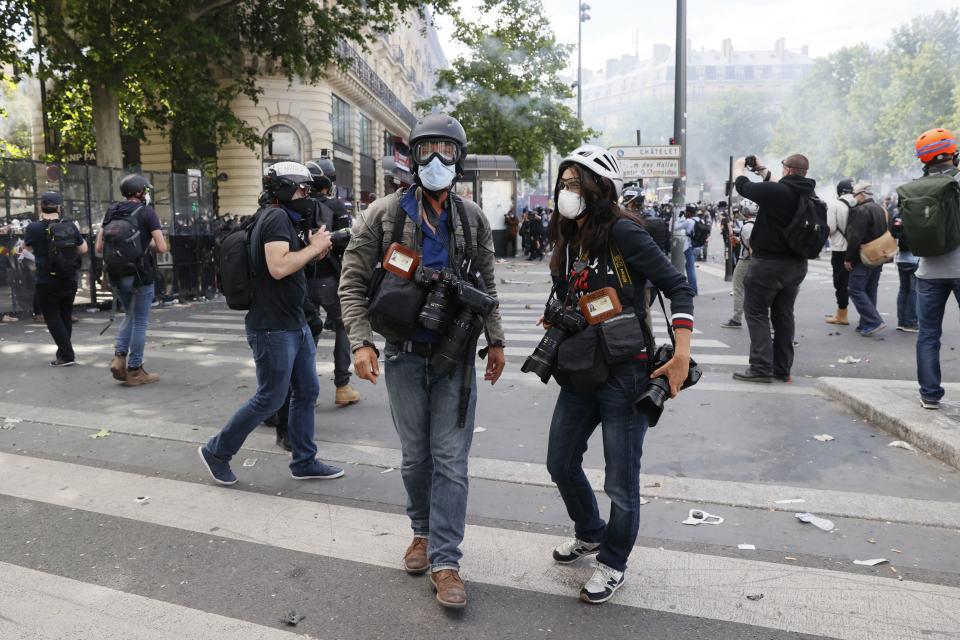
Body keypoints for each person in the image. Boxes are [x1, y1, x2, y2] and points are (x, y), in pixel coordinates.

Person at [339, 113, 505, 610]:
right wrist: (360, 342)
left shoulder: (471, 219)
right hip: (403, 355)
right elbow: (351, 281)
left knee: (451, 461)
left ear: (460, 159)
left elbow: (489, 287)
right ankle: (421, 532)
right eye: (427, 150)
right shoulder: (384, 214)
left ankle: (446, 561)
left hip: (456, 358)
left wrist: (495, 341)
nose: (436, 160)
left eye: (447, 151)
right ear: (412, 158)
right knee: (417, 458)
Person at [542, 144, 694, 605]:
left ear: (597, 188)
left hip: (625, 371)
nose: (567, 192)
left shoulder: (625, 233)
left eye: (574, 183)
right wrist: (558, 314)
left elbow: (678, 286)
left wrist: (682, 354)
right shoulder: (569, 239)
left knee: (621, 480)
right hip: (580, 365)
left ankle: (612, 562)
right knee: (560, 461)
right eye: (562, 184)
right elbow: (571, 292)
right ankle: (590, 531)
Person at [199, 162, 343, 484]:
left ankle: (304, 461)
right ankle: (216, 451)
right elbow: (278, 266)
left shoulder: (278, 218)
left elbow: (282, 267)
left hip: (294, 322)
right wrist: (316, 248)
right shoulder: (277, 217)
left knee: (306, 390)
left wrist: (311, 251)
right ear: (283, 189)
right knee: (271, 397)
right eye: (303, 189)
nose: (307, 195)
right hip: (273, 327)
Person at [731, 154, 815, 383]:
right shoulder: (808, 193)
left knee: (757, 314)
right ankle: (782, 369)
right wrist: (761, 169)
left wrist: (739, 167)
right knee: (784, 315)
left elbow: (743, 186)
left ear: (787, 170)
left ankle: (760, 368)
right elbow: (779, 183)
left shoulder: (777, 192)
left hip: (768, 264)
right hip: (796, 265)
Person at [95, 174, 168, 386]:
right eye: (145, 190)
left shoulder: (112, 211)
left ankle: (119, 358)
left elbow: (99, 247)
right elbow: (162, 247)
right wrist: (148, 244)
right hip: (140, 275)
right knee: (140, 321)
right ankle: (135, 369)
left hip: (116, 274)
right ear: (139, 192)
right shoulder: (147, 213)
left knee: (129, 315)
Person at [908, 128, 960, 409]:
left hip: (929, 272)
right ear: (954, 154)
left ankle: (929, 394)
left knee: (928, 335)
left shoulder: (915, 187)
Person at [305, 159, 362, 407]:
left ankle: (306, 390)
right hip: (328, 278)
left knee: (309, 330)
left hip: (301, 277)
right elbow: (348, 239)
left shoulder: (299, 206)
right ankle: (342, 385)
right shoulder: (335, 205)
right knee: (344, 326)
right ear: (328, 183)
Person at [23, 192, 88, 366]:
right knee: (65, 315)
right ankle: (64, 353)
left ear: (41, 206)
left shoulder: (33, 228)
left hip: (46, 280)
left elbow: (25, 247)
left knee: (52, 317)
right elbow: (83, 249)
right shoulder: (70, 226)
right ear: (59, 207)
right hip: (70, 278)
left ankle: (67, 355)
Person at [844, 182, 888, 336]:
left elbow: (855, 237)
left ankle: (873, 321)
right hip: (878, 255)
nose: (854, 197)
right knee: (870, 289)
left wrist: (849, 259)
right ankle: (866, 323)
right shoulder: (879, 209)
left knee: (855, 289)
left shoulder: (861, 210)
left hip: (865, 256)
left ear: (862, 194)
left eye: (855, 194)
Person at [824, 179, 856, 325]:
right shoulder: (859, 202)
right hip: (857, 248)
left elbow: (830, 228)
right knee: (858, 282)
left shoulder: (834, 204)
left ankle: (842, 315)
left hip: (840, 248)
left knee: (841, 283)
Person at [721, 202, 756, 329]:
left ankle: (736, 319)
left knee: (738, 289)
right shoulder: (760, 223)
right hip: (758, 261)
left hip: (746, 261)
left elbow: (752, 246)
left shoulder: (747, 227)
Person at [890, 209, 919, 332]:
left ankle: (901, 322)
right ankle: (911, 323)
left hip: (901, 258)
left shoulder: (899, 215)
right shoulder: (917, 214)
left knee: (903, 290)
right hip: (915, 258)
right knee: (913, 291)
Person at [673, 204, 698, 293]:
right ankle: (693, 288)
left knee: (690, 269)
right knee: (690, 267)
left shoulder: (688, 221)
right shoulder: (699, 220)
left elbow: (676, 227)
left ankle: (693, 289)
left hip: (689, 246)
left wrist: (679, 217)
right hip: (698, 246)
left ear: (688, 212)